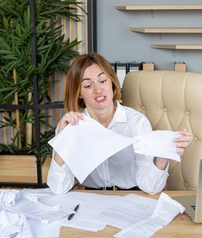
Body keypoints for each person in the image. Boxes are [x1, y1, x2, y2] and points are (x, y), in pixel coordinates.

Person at [47, 52, 191, 195]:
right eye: (88, 85)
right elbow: (58, 188)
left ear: (112, 82)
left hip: (131, 198)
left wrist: (163, 157)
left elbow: (150, 187)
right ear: (79, 93)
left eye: (103, 81)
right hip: (91, 199)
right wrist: (63, 140)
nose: (98, 90)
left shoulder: (137, 123)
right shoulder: (72, 126)